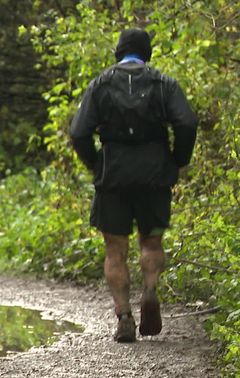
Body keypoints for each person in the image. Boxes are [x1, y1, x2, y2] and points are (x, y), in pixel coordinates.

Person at [70, 28, 198, 342]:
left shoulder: (100, 84)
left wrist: (95, 163)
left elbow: (78, 132)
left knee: (115, 251)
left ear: (118, 52)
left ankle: (124, 313)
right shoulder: (164, 83)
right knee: (151, 243)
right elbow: (186, 122)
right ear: (147, 53)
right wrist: (177, 159)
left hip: (113, 173)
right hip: (154, 173)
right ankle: (150, 290)